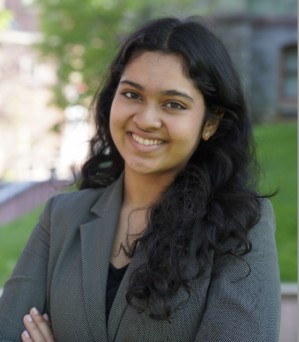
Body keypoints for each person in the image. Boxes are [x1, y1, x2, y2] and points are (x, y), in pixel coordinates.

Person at [0, 16, 280, 342]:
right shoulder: (59, 218)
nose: (146, 119)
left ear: (210, 123)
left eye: (173, 104)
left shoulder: (242, 226)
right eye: (132, 95)